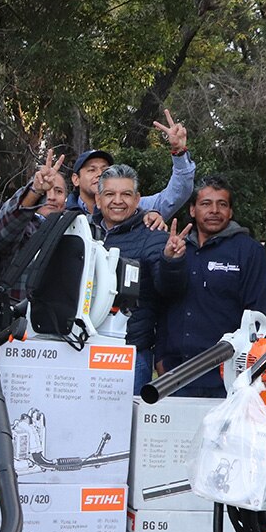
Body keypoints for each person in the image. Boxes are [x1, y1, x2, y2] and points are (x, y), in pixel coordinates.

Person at [151, 176, 266, 398]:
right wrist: (161, 358)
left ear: (231, 212)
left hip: (226, 379)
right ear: (192, 210)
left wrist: (247, 373)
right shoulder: (176, 248)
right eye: (206, 203)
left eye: (222, 204)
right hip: (175, 375)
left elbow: (259, 318)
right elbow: (162, 304)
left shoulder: (249, 251)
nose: (214, 210)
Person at [90, 165, 174, 394]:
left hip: (130, 354)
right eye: (110, 194)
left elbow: (169, 288)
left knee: (123, 427)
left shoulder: (153, 235)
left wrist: (171, 260)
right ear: (98, 199)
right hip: (81, 349)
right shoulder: (81, 230)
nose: (118, 201)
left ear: (137, 200)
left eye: (126, 194)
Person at [66, 110, 197, 220]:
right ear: (76, 179)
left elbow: (176, 195)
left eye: (105, 169)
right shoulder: (62, 213)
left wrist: (179, 151)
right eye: (91, 170)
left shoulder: (132, 206)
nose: (99, 174)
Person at [0, 153, 69, 268]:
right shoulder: (21, 231)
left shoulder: (75, 230)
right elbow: (9, 223)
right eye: (45, 192)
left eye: (58, 191)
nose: (51, 197)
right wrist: (36, 191)